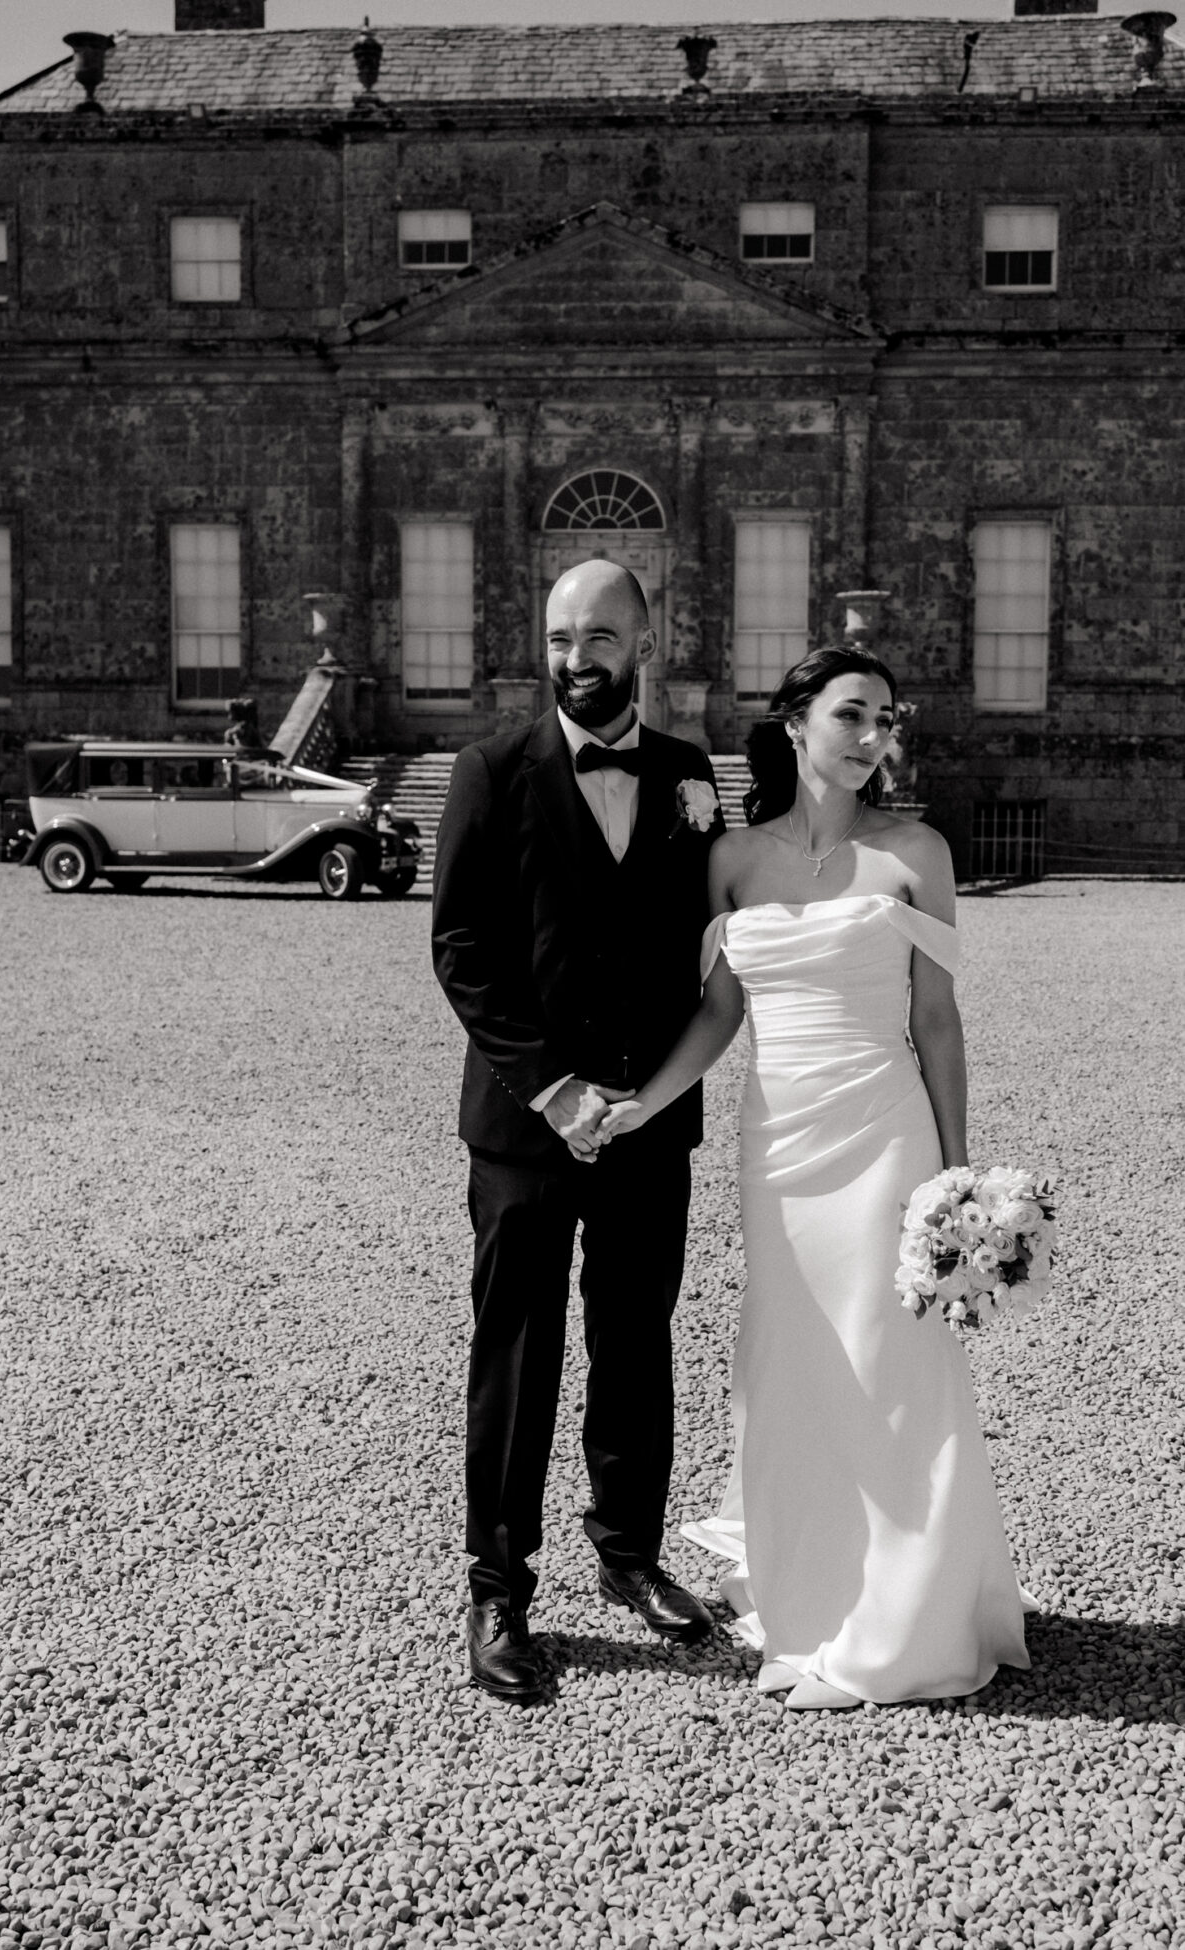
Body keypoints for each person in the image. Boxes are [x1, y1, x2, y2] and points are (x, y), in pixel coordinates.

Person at [595, 646, 1033, 1711]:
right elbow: (718, 1015)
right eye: (850, 713)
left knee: (892, 1366)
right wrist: (640, 1105)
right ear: (795, 724)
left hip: (885, 1141)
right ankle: (815, 1595)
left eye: (884, 718)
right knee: (797, 1364)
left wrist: (955, 1181)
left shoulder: (916, 850)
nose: (870, 734)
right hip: (777, 1144)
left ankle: (905, 1617)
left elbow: (935, 1020)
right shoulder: (733, 862)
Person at [432, 559, 725, 1703]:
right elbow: (463, 950)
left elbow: (711, 944)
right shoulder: (489, 770)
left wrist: (645, 1091)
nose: (575, 657)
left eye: (600, 636)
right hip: (524, 1128)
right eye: (559, 636)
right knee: (516, 1353)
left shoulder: (694, 777)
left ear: (644, 643)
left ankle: (631, 1554)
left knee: (636, 1343)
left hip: (651, 1123)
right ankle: (498, 1585)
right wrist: (554, 1089)